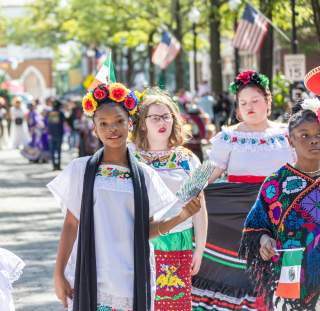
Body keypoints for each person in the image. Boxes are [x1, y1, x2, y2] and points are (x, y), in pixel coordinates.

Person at [47, 82, 202, 311]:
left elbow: (146, 230)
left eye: (119, 121)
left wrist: (183, 216)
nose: (112, 129)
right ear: (94, 127)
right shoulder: (81, 170)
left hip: (131, 279)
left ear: (130, 123)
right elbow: (71, 224)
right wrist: (58, 273)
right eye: (104, 123)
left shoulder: (145, 176)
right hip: (91, 275)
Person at [192, 70, 296, 310]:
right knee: (243, 275)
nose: (249, 107)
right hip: (238, 214)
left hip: (281, 212)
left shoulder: (287, 134)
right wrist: (184, 192)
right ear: (237, 108)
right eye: (243, 103)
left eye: (255, 101)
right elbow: (210, 170)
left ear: (268, 102)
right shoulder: (229, 137)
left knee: (285, 276)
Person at [130, 88, 208, 311]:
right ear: (142, 123)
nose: (162, 122)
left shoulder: (188, 159)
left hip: (178, 240)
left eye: (167, 116)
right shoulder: (129, 155)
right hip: (140, 239)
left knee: (174, 304)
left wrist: (199, 248)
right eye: (155, 117)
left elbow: (199, 207)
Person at [239, 98, 320, 310]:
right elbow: (254, 228)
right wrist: (264, 240)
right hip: (292, 272)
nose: (314, 140)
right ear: (290, 140)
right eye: (305, 135)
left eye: (319, 135)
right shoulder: (276, 184)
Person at [47, 99, 65, 170]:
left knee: (52, 151)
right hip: (59, 134)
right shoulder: (60, 113)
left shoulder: (50, 112)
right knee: (58, 150)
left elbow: (48, 123)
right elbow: (64, 121)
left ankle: (54, 166)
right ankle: (58, 166)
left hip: (51, 134)